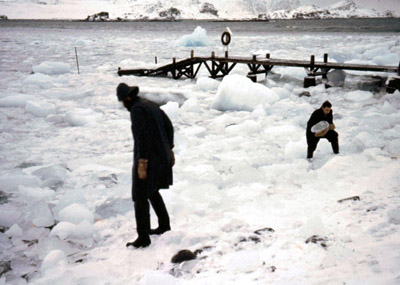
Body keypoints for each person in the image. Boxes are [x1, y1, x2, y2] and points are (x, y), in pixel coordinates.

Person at [116, 83, 175, 248]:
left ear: (127, 98)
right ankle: (164, 225)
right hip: (161, 155)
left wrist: (142, 162)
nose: (122, 104)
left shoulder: (136, 109)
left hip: (149, 158)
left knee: (140, 195)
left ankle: (143, 237)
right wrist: (169, 149)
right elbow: (168, 126)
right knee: (153, 190)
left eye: (122, 101)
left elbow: (141, 136)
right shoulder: (150, 104)